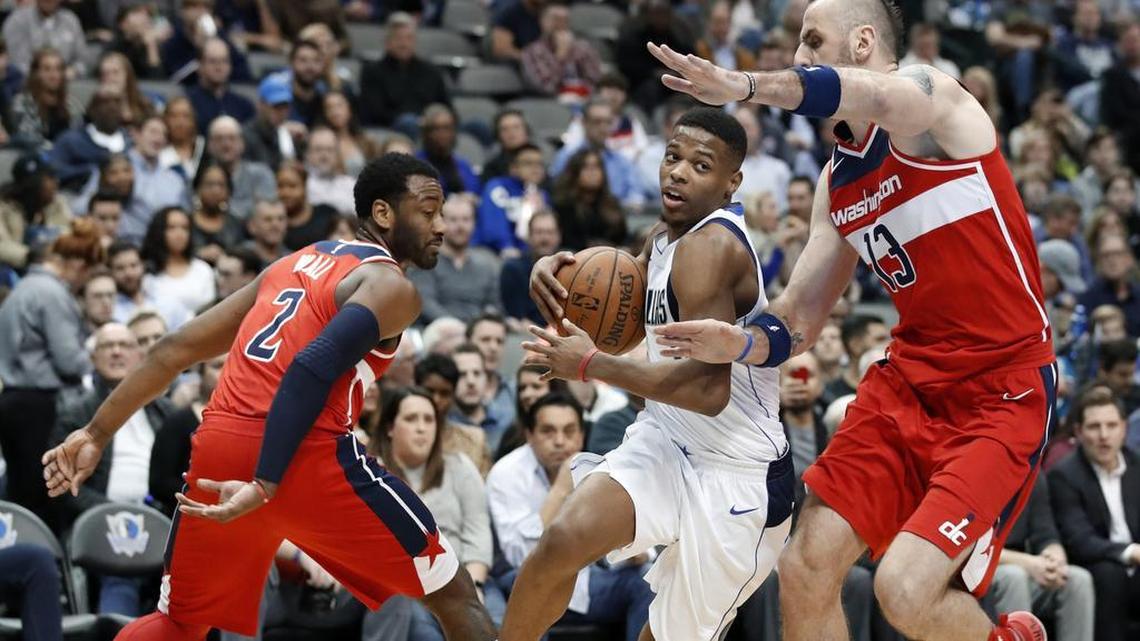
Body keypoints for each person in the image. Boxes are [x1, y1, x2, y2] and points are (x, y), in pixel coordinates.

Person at [642, 1, 1058, 637]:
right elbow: (798, 321)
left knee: (904, 590)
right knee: (804, 566)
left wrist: (746, 86)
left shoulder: (935, 103)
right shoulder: (838, 184)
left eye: (813, 41)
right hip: (908, 383)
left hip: (1001, 391)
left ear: (863, 42)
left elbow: (856, 93)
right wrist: (739, 340)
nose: (800, 57)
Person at [42, 153, 497, 641]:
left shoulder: (291, 263)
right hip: (302, 455)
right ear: (383, 214)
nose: (442, 225)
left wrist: (96, 432)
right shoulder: (391, 286)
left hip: (220, 446)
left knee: (180, 622)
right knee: (454, 595)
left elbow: (173, 350)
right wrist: (266, 483)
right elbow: (309, 369)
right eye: (428, 212)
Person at [511, 107, 792, 641]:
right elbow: (627, 314)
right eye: (672, 157)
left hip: (737, 475)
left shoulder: (711, 248)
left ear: (732, 183)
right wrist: (551, 272)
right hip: (666, 440)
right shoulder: (664, 236)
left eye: (700, 165)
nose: (678, 172)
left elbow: (707, 391)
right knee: (561, 541)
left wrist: (591, 364)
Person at [487, 393, 654, 640]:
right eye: (548, 431)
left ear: (581, 435)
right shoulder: (506, 473)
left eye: (569, 431)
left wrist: (633, 552)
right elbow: (521, 556)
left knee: (645, 579)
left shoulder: (599, 468)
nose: (560, 441)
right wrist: (560, 492)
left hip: (588, 582)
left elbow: (625, 540)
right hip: (521, 580)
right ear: (529, 435)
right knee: (534, 586)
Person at [50, 322, 172, 615]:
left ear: (140, 356)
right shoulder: (75, 414)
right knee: (121, 562)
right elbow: (65, 485)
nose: (117, 352)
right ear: (92, 358)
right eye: (107, 346)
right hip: (103, 523)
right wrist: (113, 511)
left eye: (125, 345)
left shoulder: (165, 412)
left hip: (163, 519)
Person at [364, 387, 498, 638]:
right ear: (390, 427)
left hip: (465, 578)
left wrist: (476, 586)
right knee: (425, 631)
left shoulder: (460, 466)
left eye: (429, 419)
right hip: (407, 586)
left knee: (506, 625)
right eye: (411, 419)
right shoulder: (369, 472)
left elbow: (478, 531)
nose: (422, 427)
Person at [0, 219, 102, 525]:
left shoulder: (25, 288)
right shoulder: (51, 293)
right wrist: (94, 354)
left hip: (17, 399)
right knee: (44, 496)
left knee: (24, 493)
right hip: (39, 404)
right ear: (76, 264)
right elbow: (70, 360)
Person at [1048, 386, 1140, 641]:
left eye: (1111, 425)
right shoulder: (1063, 475)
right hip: (1096, 566)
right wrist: (1131, 552)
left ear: (1124, 428)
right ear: (1078, 432)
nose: (1103, 435)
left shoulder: (1137, 466)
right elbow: (1079, 540)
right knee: (1110, 574)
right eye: (1094, 427)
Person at [990, 474, 1095, 641]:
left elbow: (1045, 534)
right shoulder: (973, 469)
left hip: (1023, 567)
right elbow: (970, 548)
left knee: (1077, 579)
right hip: (978, 571)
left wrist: (1055, 558)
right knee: (1014, 576)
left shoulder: (1031, 473)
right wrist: (1028, 563)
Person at [407, 196, 500, 325]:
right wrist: (459, 328)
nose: (460, 226)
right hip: (437, 331)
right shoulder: (424, 260)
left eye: (466, 219)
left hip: (478, 333)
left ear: (474, 223)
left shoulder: (487, 263)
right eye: (453, 220)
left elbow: (493, 306)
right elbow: (426, 304)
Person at [358, 12, 449, 132]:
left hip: (431, 128)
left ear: (415, 41)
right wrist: (416, 121)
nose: (404, 44)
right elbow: (374, 113)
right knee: (408, 122)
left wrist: (432, 120)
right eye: (398, 38)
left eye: (409, 38)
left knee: (475, 126)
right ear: (387, 42)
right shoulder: (372, 72)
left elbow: (447, 107)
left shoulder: (432, 72)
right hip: (391, 130)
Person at [414, 353, 492, 475]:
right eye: (429, 391)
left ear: (453, 395)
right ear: (416, 390)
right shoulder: (397, 438)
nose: (436, 400)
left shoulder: (474, 441)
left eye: (444, 393)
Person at [474, 144, 549, 256]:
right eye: (528, 163)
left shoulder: (542, 195)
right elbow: (493, 230)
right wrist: (507, 246)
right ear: (514, 168)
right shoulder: (498, 188)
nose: (536, 169)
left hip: (529, 256)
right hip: (493, 254)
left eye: (539, 164)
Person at [0, 152, 71, 271]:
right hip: (12, 270)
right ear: (32, 183)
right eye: (50, 177)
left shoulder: (56, 203)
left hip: (51, 266)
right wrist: (31, 255)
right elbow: (2, 246)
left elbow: (67, 232)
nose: (56, 182)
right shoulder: (4, 206)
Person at [49, 89, 130, 191]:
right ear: (92, 109)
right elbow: (54, 171)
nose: (112, 107)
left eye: (117, 102)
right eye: (105, 103)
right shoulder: (70, 140)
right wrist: (90, 171)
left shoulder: (132, 141)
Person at [142, 206, 218, 313]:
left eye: (185, 228)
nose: (179, 234)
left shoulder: (202, 269)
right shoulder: (147, 273)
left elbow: (212, 310)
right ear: (158, 231)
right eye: (171, 228)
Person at [520, 3, 602, 100]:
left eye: (565, 20)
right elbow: (547, 87)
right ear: (543, 22)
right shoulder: (532, 52)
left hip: (584, 99)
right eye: (556, 20)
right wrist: (561, 56)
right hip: (551, 102)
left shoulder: (584, 48)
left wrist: (582, 95)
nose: (561, 25)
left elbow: (595, 80)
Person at [550, 148, 627, 250]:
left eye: (596, 167)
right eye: (586, 167)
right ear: (575, 173)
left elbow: (623, 238)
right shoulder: (563, 206)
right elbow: (565, 242)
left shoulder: (612, 204)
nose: (592, 172)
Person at [8, 47, 84, 150]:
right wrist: (56, 149)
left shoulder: (71, 103)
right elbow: (25, 137)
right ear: (36, 73)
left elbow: (81, 136)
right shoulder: (22, 103)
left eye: (58, 69)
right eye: (47, 69)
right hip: (38, 158)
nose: (54, 75)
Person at [204, 116, 277, 222]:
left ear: (242, 143)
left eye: (232, 138)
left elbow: (269, 214)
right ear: (209, 145)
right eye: (219, 139)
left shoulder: (261, 174)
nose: (226, 144)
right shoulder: (202, 177)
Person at [108, 241, 193, 331]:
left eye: (133, 266)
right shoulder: (109, 308)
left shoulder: (164, 296)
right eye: (120, 268)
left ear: (143, 266)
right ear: (110, 272)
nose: (129, 273)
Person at [501, 210, 560, 328]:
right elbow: (517, 320)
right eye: (539, 232)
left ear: (559, 236)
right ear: (529, 236)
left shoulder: (571, 267)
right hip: (526, 335)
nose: (545, 238)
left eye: (550, 232)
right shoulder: (513, 269)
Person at [184, 38, 256, 135]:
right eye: (212, 61)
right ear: (200, 65)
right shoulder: (187, 104)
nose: (219, 67)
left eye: (224, 61)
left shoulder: (244, 106)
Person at [2, 0, 88, 77]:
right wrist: (46, 75)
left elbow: (83, 61)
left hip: (66, 83)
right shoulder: (18, 20)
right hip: (28, 84)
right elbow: (18, 64)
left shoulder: (70, 20)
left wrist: (74, 70)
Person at [417, 105, 481, 198]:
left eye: (447, 128)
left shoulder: (463, 165)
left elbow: (475, 193)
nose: (442, 134)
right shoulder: (416, 166)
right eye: (436, 129)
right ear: (426, 133)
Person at [189, 161, 245, 264]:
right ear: (198, 188)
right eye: (209, 184)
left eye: (221, 185)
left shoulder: (236, 225)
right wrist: (198, 254)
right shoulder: (186, 223)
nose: (215, 191)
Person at [242, 75, 299, 173]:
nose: (282, 112)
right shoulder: (245, 136)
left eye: (285, 107)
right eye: (276, 106)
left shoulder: (288, 134)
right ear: (261, 105)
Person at [277, 161, 338, 251]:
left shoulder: (327, 214)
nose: (286, 193)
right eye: (280, 186)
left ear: (304, 187)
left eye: (292, 186)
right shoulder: (274, 225)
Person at [319, 90, 380, 178]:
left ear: (349, 108)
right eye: (329, 108)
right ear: (324, 114)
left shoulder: (366, 140)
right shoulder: (323, 143)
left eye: (339, 105)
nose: (335, 112)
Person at [305, 127, 356, 216]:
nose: (324, 155)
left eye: (330, 150)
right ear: (308, 154)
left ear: (337, 155)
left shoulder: (351, 185)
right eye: (318, 149)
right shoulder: (302, 185)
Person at [97, 52, 156, 129]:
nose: (110, 78)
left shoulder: (145, 106)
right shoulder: (97, 109)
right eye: (105, 74)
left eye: (115, 72)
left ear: (127, 75)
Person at [159, 96, 207, 181]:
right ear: (165, 119)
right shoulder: (157, 150)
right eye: (174, 116)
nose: (180, 122)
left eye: (186, 116)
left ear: (193, 120)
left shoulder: (204, 148)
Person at [482, 110, 533, 182]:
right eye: (505, 129)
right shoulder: (492, 168)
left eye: (516, 127)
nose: (511, 133)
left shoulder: (538, 161)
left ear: (527, 131)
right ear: (498, 135)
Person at [242, 200, 289, 270]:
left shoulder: (294, 261)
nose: (275, 225)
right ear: (252, 226)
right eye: (268, 219)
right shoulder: (239, 260)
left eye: (280, 219)